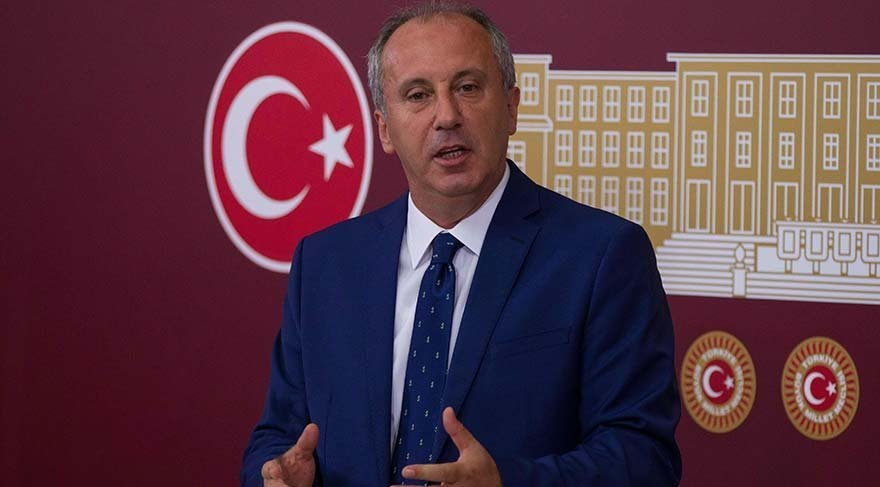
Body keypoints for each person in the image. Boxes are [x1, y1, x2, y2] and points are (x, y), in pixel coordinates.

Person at [241, 2, 681, 486]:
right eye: (418, 95)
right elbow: (277, 437)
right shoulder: (325, 264)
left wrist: (506, 483)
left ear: (511, 107)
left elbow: (642, 457)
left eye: (468, 88)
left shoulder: (602, 256)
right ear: (385, 129)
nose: (447, 116)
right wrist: (276, 476)